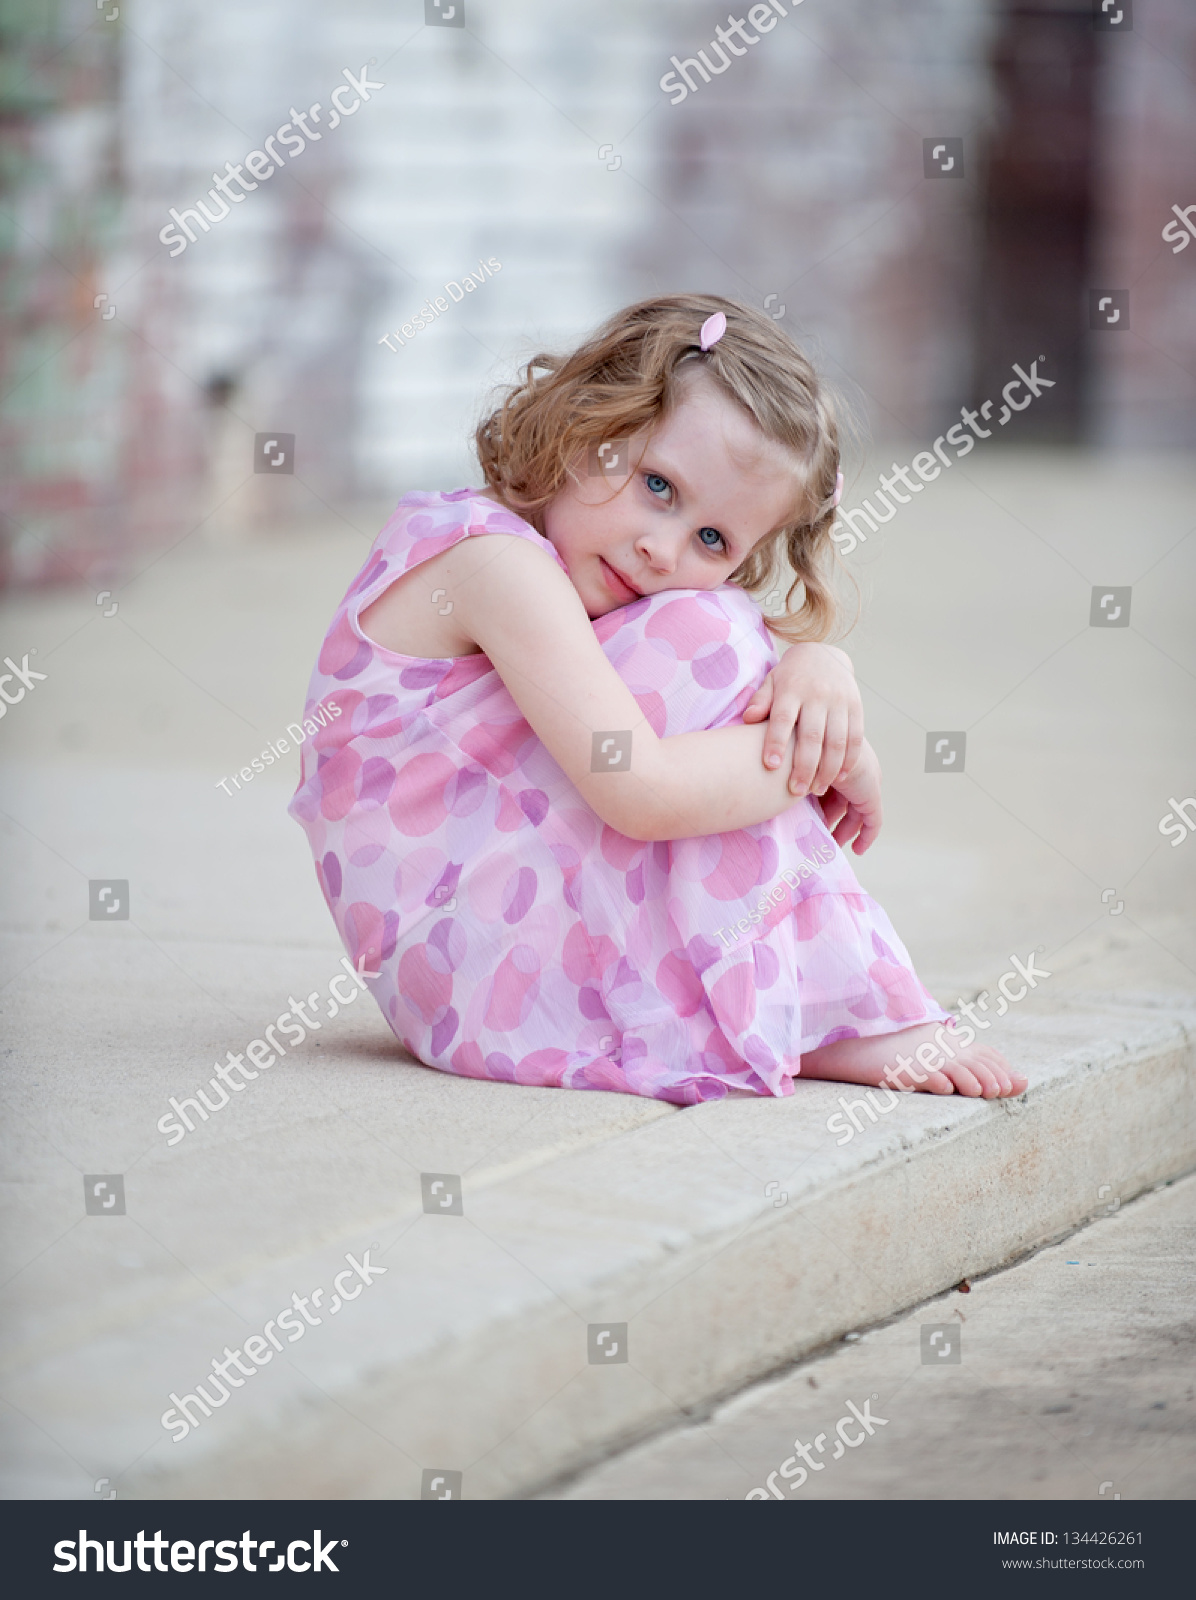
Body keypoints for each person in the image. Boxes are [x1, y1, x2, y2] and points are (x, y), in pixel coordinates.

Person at [288, 293, 1025, 1106]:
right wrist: (829, 755)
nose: (661, 547)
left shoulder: (563, 569)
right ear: (589, 422)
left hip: (495, 939)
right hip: (472, 971)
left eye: (714, 539)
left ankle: (800, 1009)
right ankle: (831, 1007)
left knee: (722, 633)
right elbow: (643, 794)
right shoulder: (490, 563)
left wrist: (819, 669)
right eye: (659, 486)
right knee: (713, 641)